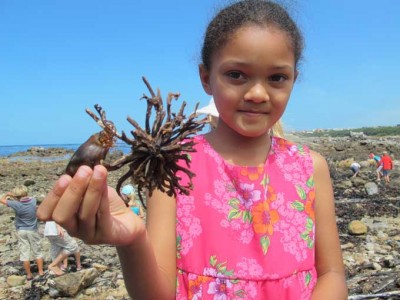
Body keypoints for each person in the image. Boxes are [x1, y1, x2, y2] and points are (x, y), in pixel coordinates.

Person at [37, 1, 348, 299]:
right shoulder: (174, 163)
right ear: (205, 78)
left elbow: (332, 274)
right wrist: (132, 240)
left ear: (294, 79)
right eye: (236, 75)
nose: (257, 93)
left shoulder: (310, 167)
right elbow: (157, 293)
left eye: (277, 77)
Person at [0, 185, 44, 281]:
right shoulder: (33, 201)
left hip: (21, 230)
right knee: (37, 251)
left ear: (16, 196)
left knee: (24, 253)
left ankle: (29, 274)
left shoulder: (16, 204)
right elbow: (28, 197)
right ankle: (41, 271)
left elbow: (2, 200)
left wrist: (8, 194)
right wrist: (16, 196)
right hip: (32, 230)